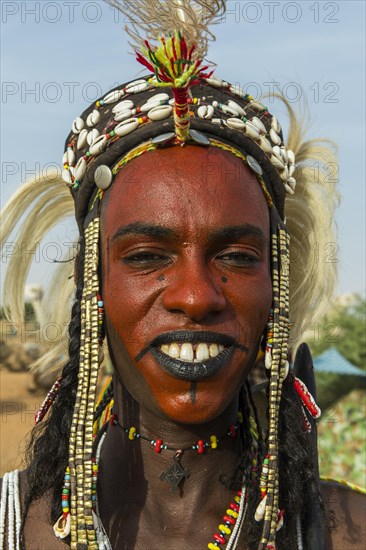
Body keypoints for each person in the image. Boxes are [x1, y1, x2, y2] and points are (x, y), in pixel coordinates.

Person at [0, 1, 365, 549]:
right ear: (90, 282)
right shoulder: (12, 526)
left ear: (276, 284)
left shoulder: (346, 533)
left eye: (237, 256)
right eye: (147, 256)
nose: (196, 296)